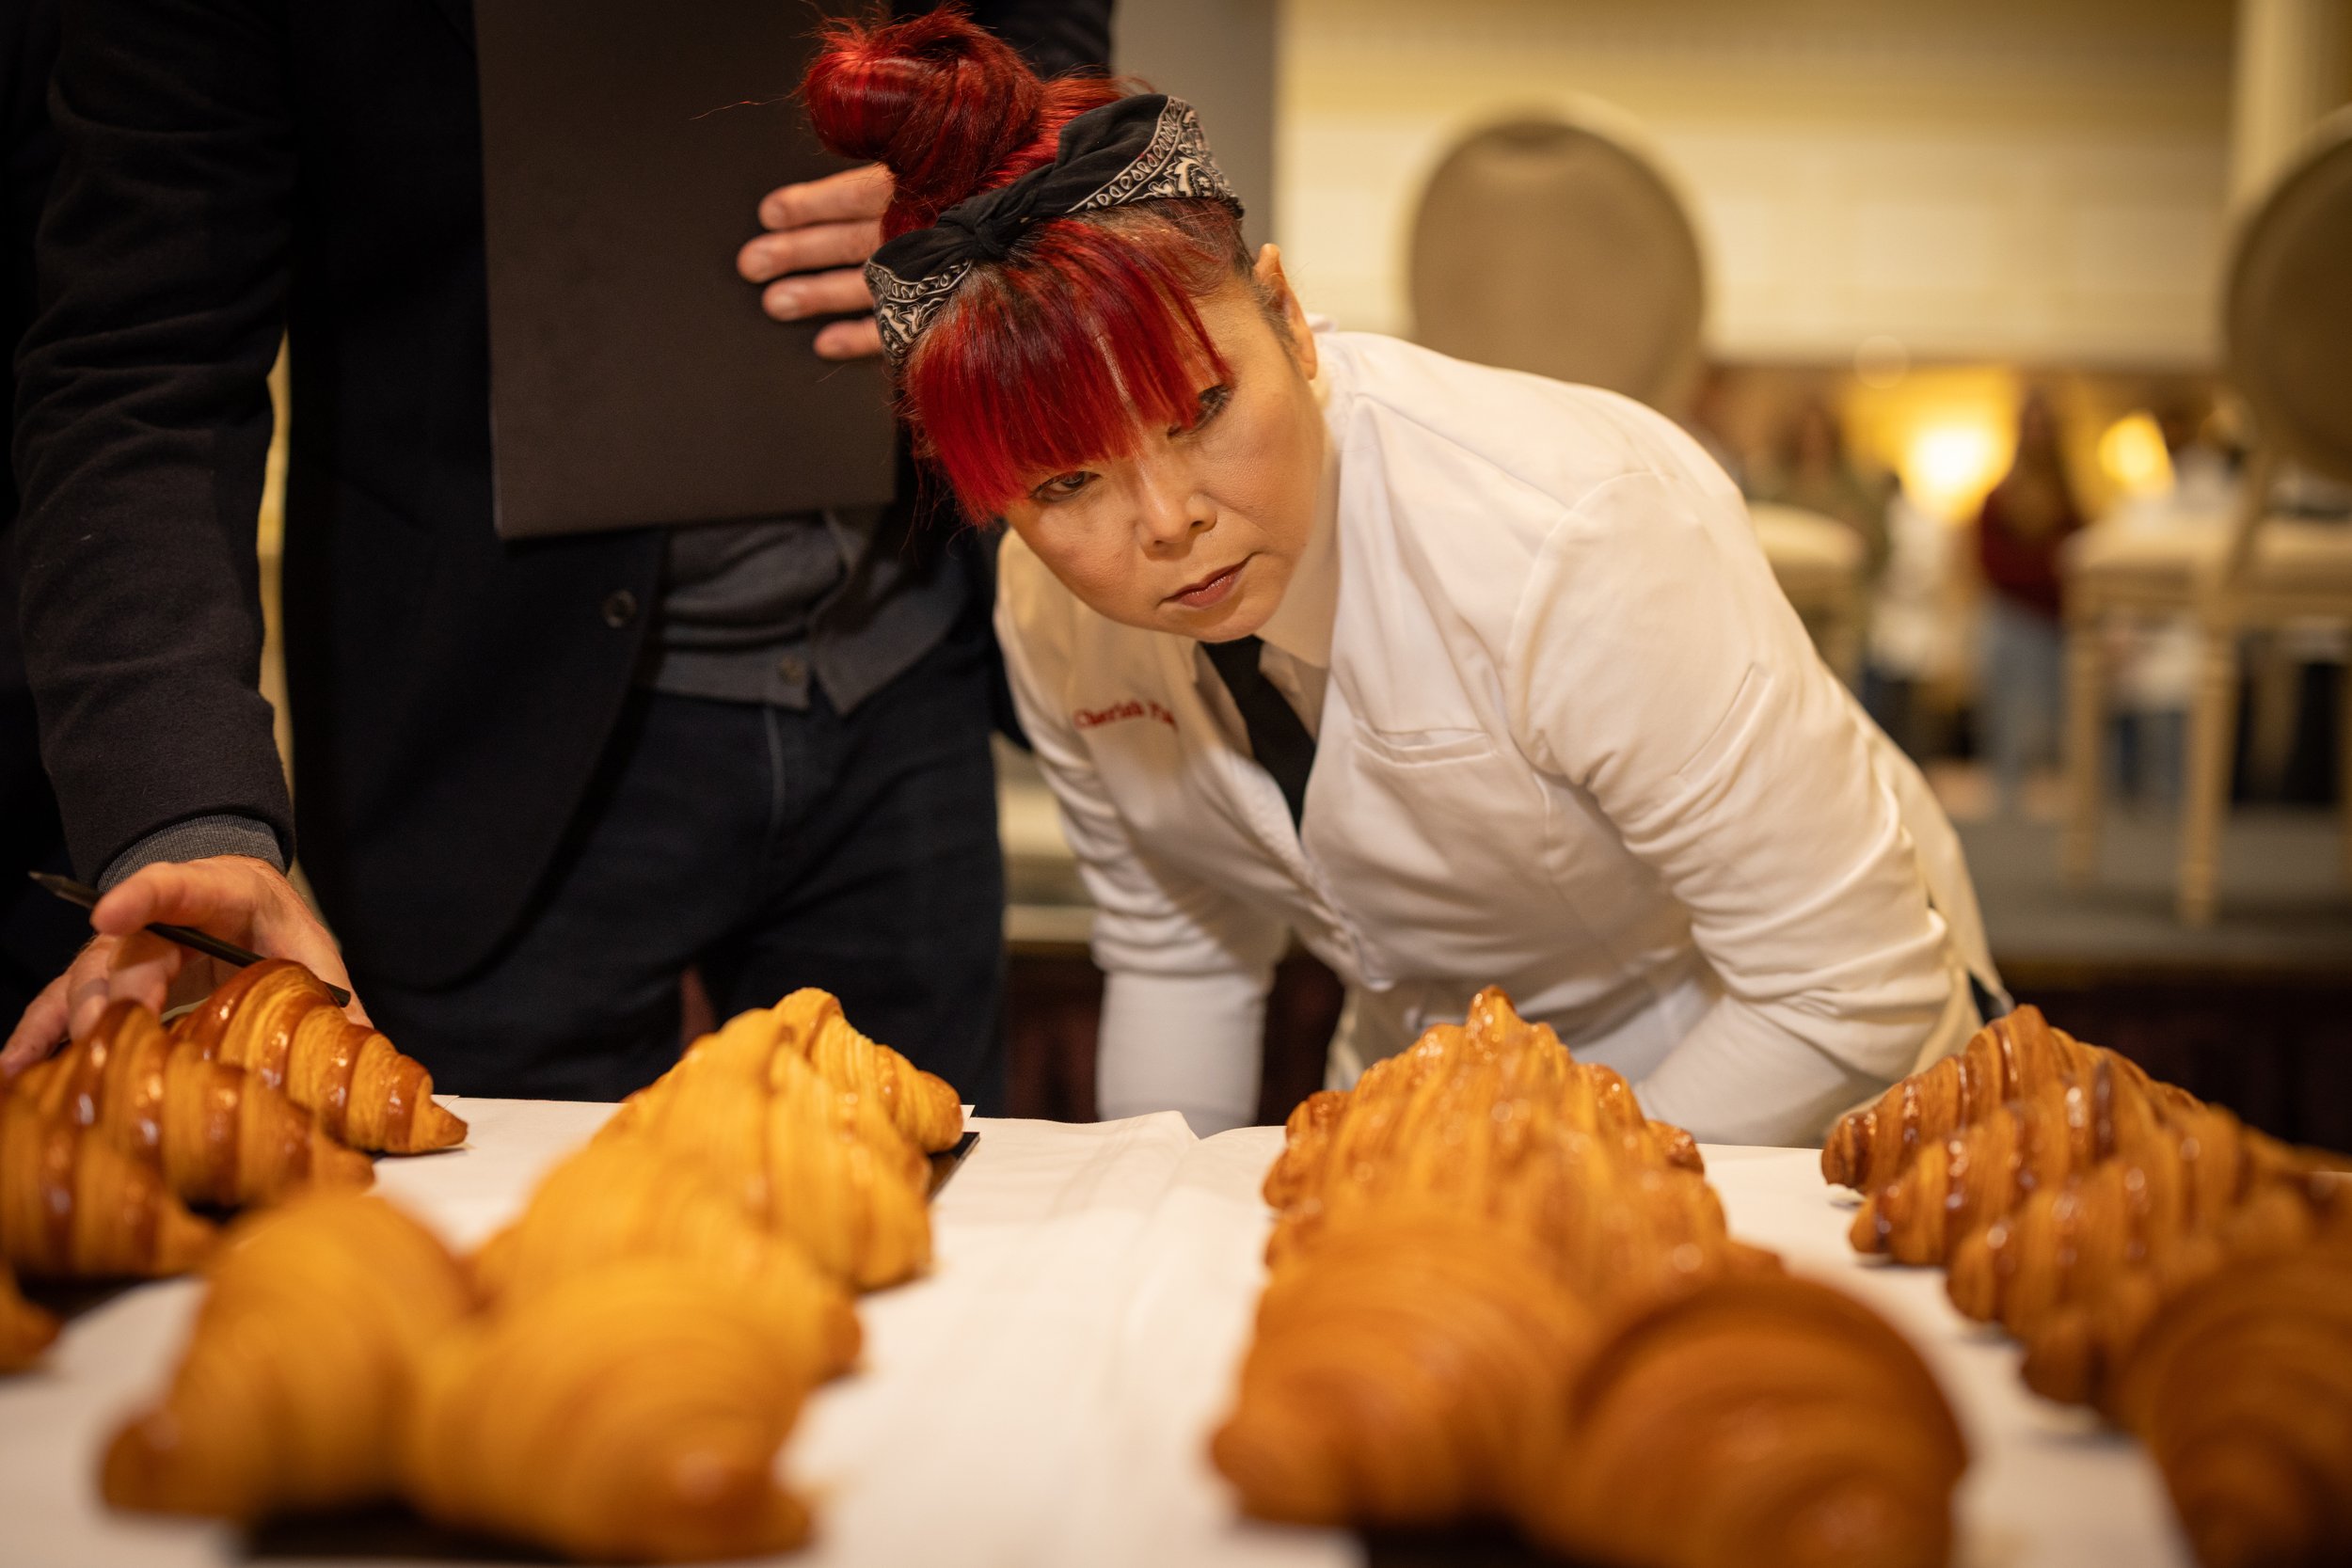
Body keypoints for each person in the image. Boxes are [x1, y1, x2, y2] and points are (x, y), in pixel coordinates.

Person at [804, 13, 2002, 1145]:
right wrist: (1154, 1229)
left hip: (1781, 1075)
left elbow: (1849, 982)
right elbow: (1183, 954)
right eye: (1065, 486)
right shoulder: (1045, 611)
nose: (1168, 524)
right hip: (1432, 1093)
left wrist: (1538, 1195)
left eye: (1203, 410)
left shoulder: (1569, 535)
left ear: (1286, 313)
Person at [2, 0, 1111, 1102]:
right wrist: (187, 817)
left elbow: (1039, 28)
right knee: (499, 1257)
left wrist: (985, 169)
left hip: (907, 659)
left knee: (933, 1234)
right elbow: (142, 373)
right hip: (483, 721)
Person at [1974, 391, 2084, 817]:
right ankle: (2006, 808)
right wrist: (2046, 569)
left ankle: (2063, 810)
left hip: (2057, 623)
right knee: (2006, 719)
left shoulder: (2070, 498)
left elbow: (2077, 559)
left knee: (2061, 720)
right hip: (2010, 620)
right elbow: (1994, 563)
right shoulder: (2000, 497)